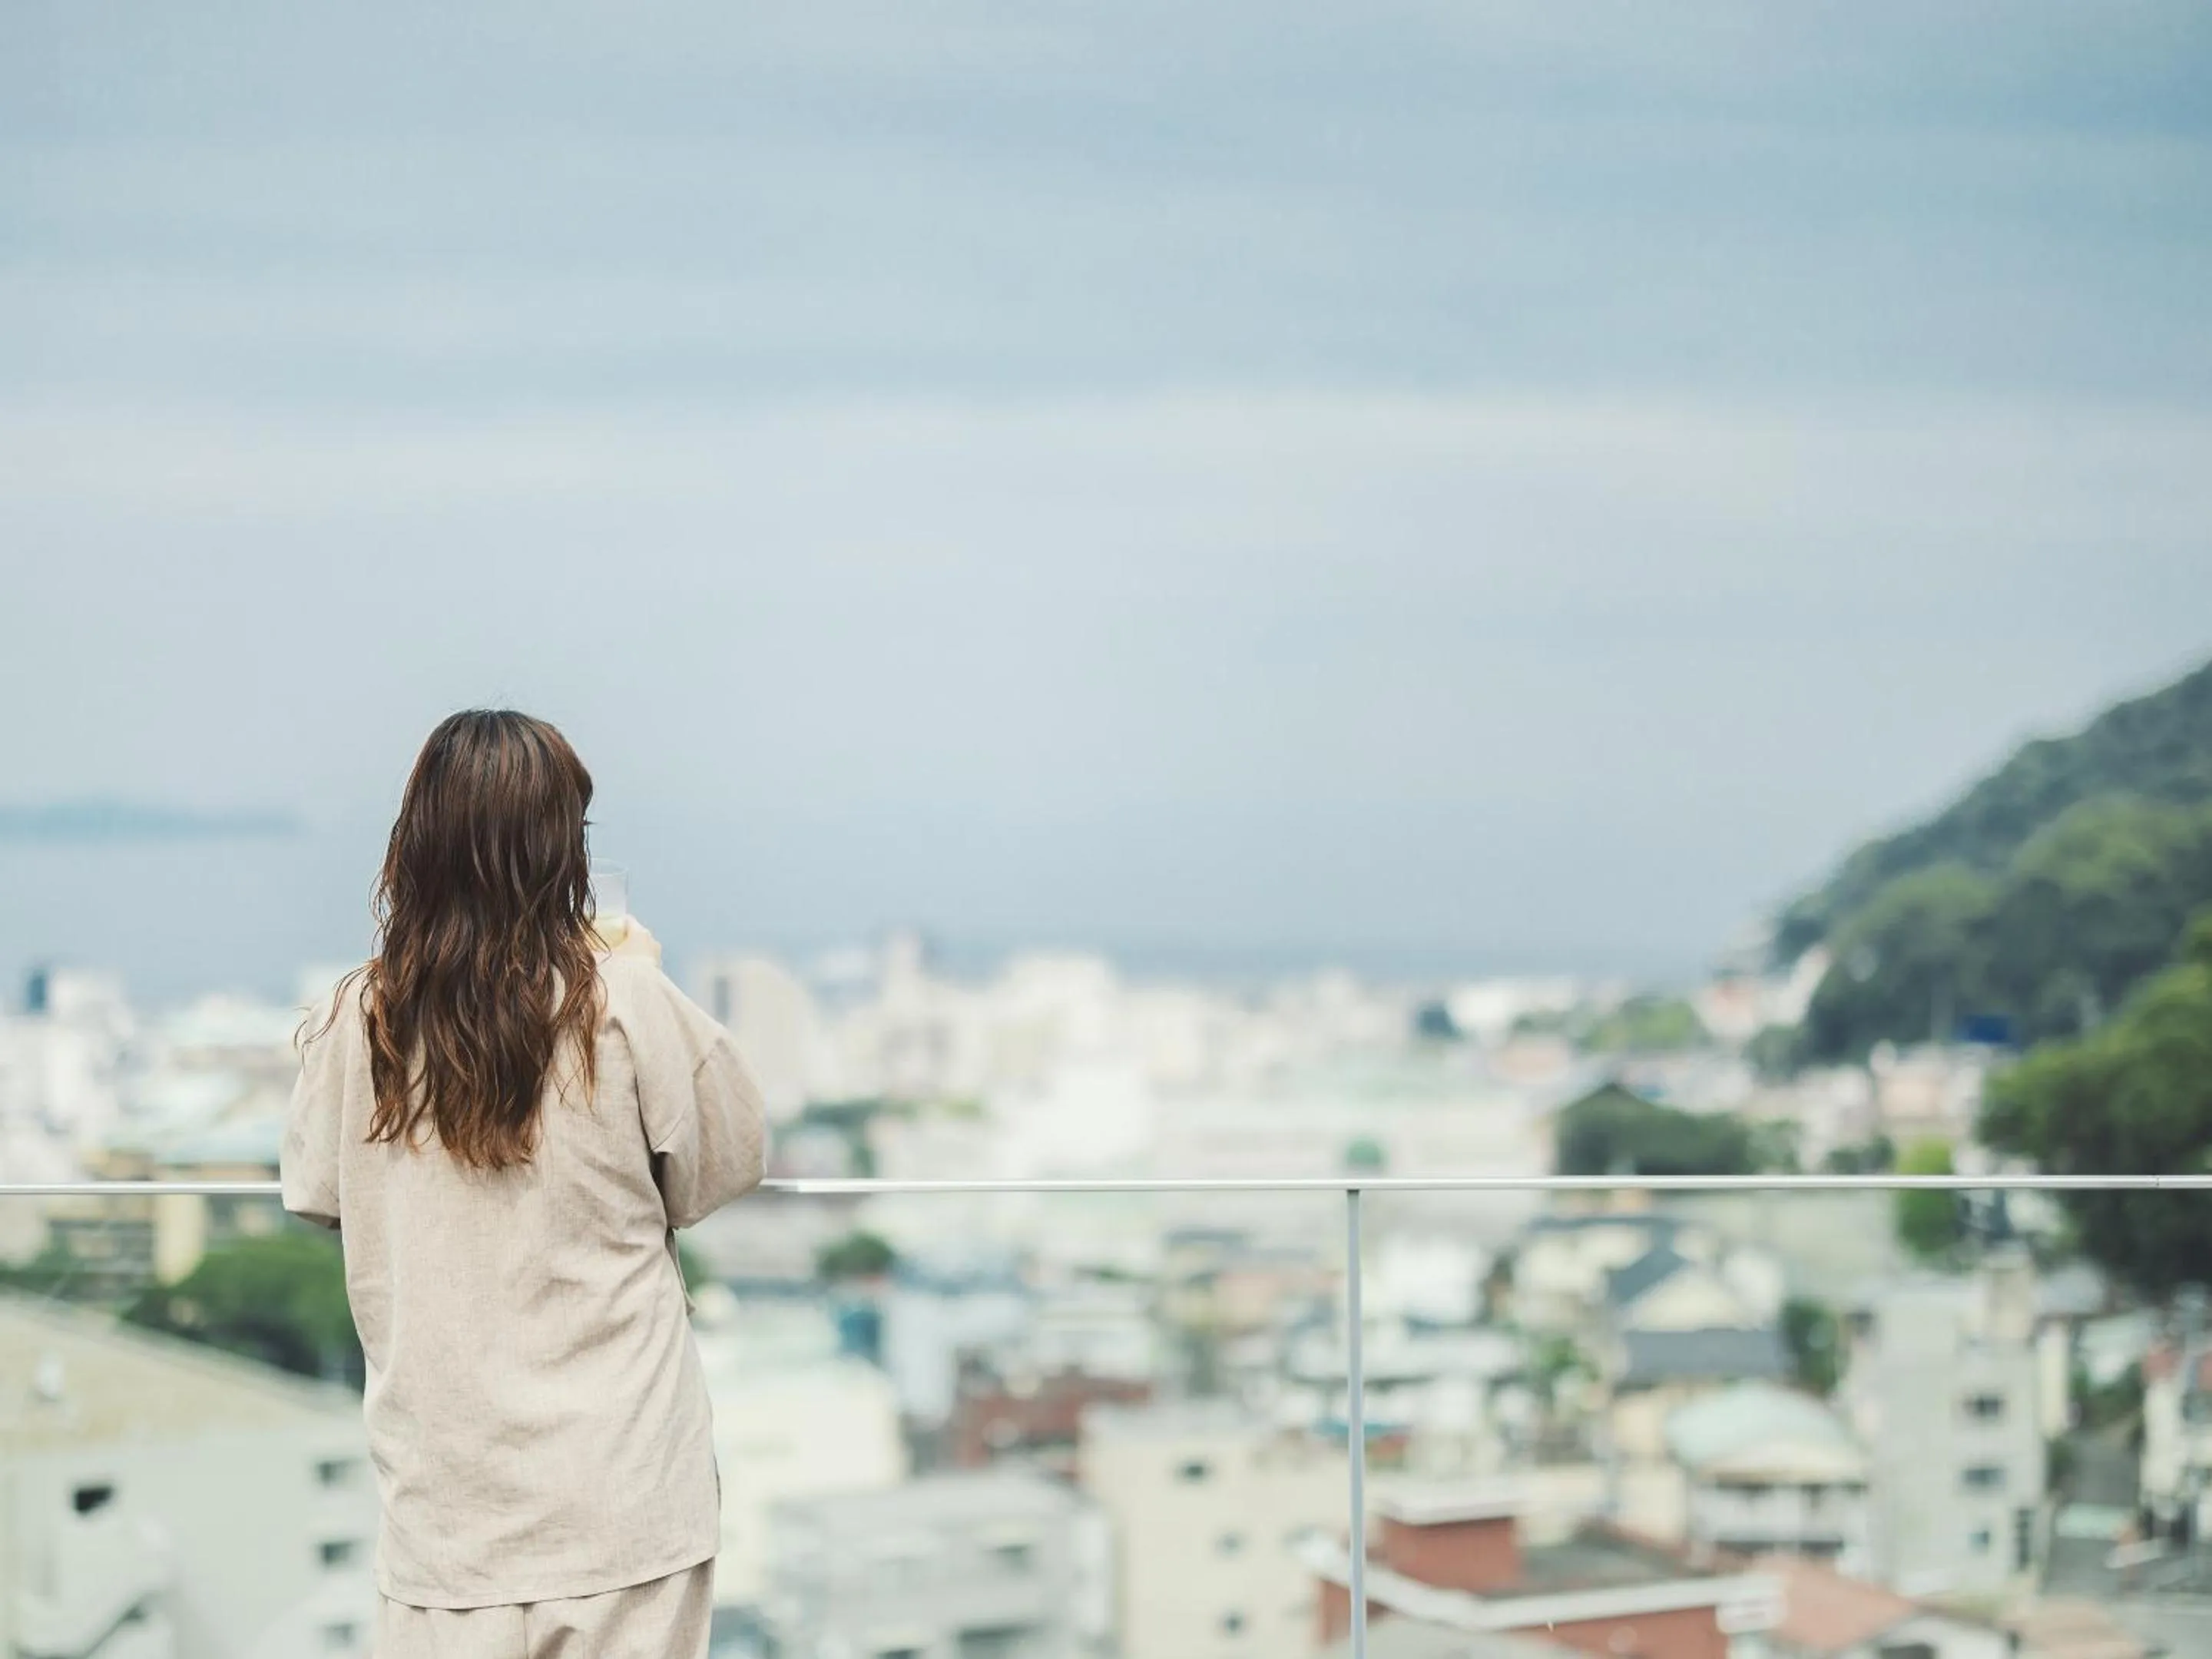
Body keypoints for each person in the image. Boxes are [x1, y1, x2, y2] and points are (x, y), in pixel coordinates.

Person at [282, 710, 766, 1658]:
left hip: (447, 1507)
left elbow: (315, 1193)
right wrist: (638, 971)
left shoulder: (358, 1021)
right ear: (556, 855)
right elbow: (725, 1163)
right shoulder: (623, 1001)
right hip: (624, 1493)